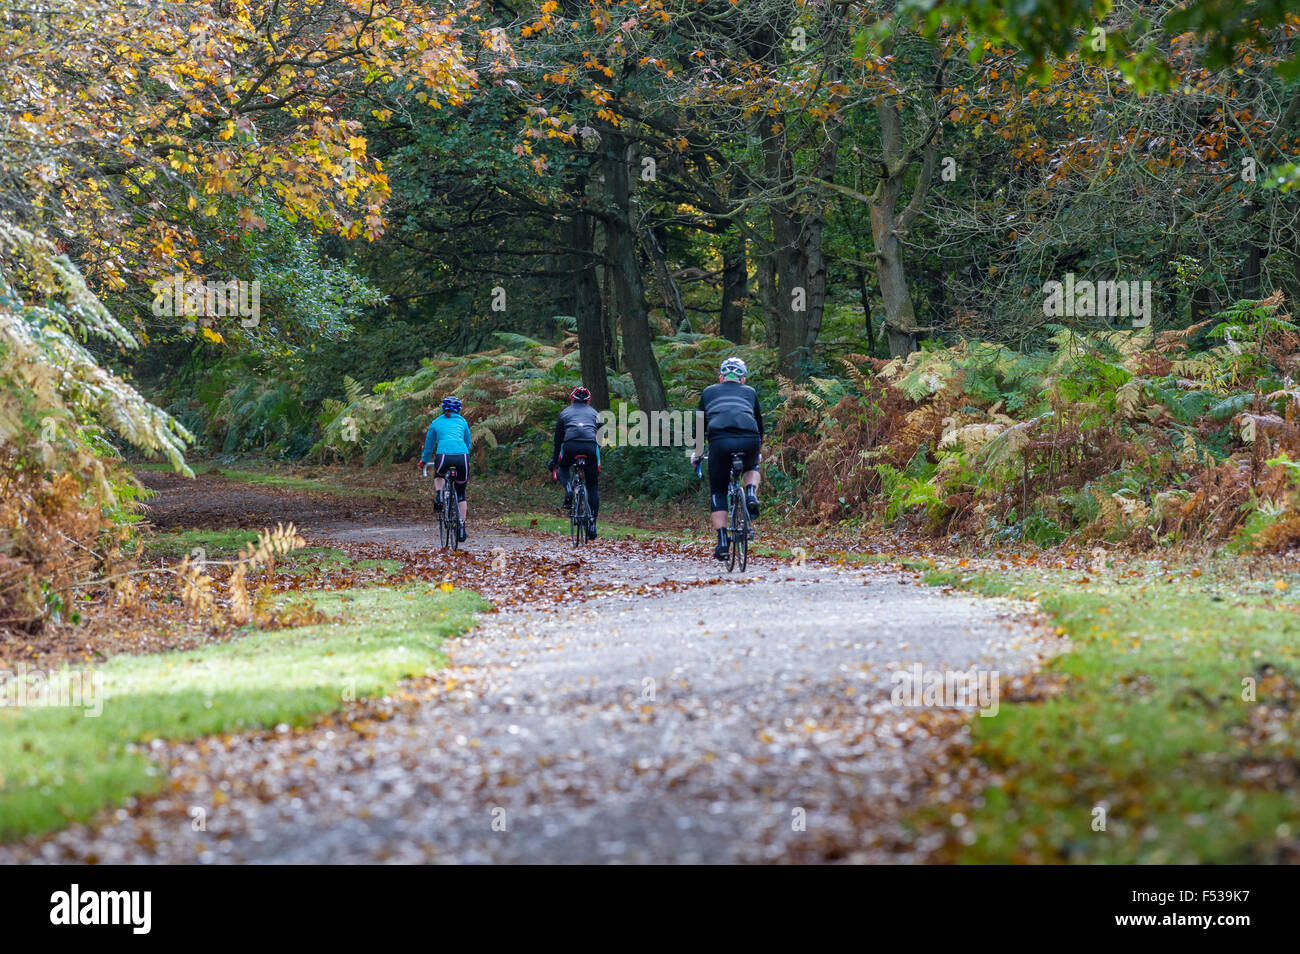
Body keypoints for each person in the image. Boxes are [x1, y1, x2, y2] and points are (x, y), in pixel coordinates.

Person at [691, 357, 762, 560]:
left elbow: (699, 427)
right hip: (750, 439)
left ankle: (722, 541)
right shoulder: (750, 392)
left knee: (719, 490)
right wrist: (757, 449)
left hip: (720, 442)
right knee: (753, 466)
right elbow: (759, 424)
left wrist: (697, 453)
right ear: (743, 380)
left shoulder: (708, 392)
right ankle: (750, 493)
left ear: (721, 378)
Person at [548, 385, 602, 540]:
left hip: (570, 446)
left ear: (572, 400)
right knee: (592, 487)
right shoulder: (595, 414)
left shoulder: (564, 413)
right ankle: (592, 524)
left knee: (563, 467)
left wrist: (554, 461)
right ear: (589, 401)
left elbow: (558, 441)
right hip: (590, 447)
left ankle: (569, 489)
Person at [418, 396, 471, 543]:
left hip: (443, 457)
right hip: (462, 457)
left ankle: (439, 495)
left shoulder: (436, 423)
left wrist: (423, 461)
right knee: (461, 493)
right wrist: (468, 459)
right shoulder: (463, 422)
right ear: (459, 409)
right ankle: (461, 527)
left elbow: (429, 446)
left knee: (439, 475)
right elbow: (468, 443)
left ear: (443, 408)